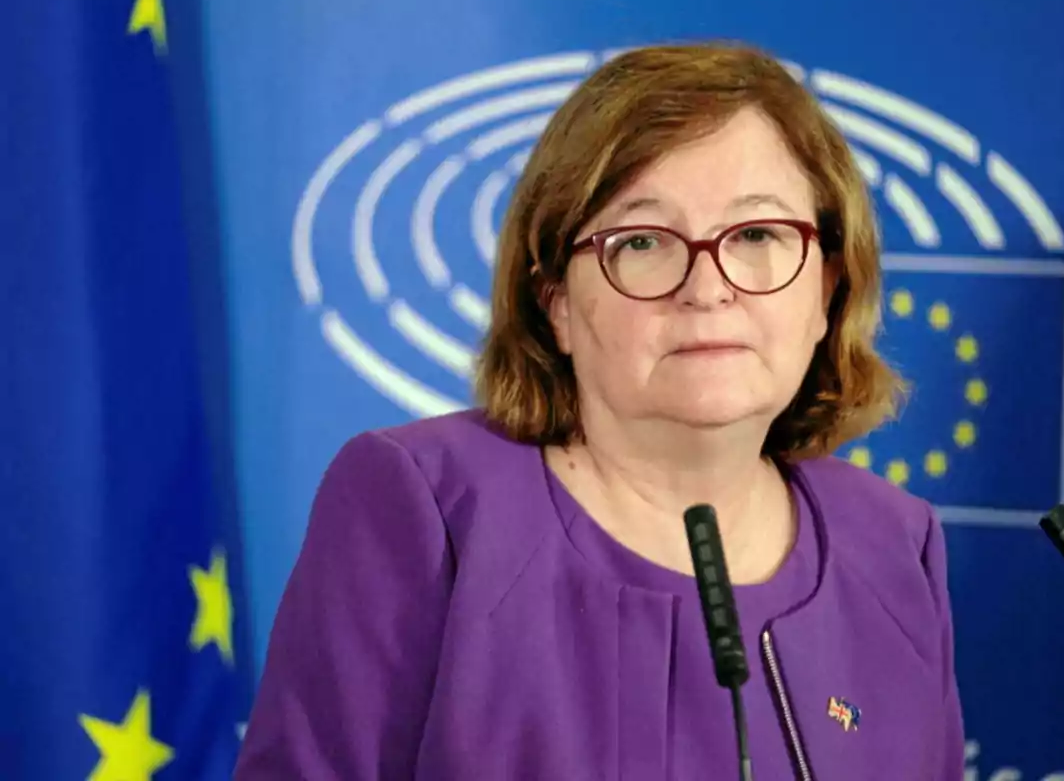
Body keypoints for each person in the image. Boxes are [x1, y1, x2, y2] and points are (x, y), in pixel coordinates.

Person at [234, 41, 965, 779]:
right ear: (555, 301)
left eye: (756, 235)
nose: (709, 288)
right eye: (642, 241)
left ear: (827, 290)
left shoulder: (894, 544)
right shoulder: (428, 509)